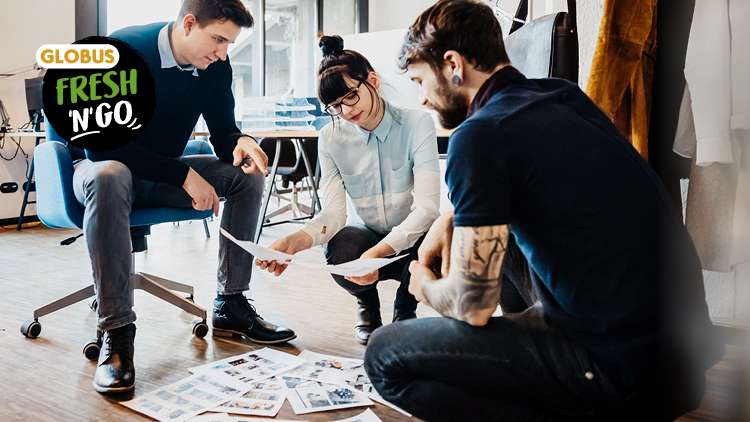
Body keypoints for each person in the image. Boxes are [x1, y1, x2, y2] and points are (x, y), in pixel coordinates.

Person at [363, 1, 725, 421]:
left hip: (620, 376)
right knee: (510, 237)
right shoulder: (561, 96)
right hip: (678, 365)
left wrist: (421, 284)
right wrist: (450, 219)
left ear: (452, 64)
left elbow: (473, 304)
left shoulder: (478, 136)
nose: (422, 99)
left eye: (420, 80)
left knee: (384, 355)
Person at [72, 0, 296, 394]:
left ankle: (231, 303)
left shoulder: (214, 66)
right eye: (219, 40)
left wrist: (240, 141)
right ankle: (117, 333)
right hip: (100, 170)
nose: (224, 52)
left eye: (229, 43)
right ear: (188, 24)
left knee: (246, 178)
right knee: (112, 173)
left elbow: (223, 130)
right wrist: (185, 174)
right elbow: (101, 147)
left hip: (161, 170)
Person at [255, 35, 440, 344]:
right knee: (341, 248)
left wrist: (379, 253)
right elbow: (334, 213)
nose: (345, 111)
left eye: (350, 97)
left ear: (373, 80)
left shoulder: (416, 123)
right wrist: (297, 240)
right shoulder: (330, 138)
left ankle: (405, 308)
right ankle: (367, 303)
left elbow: (427, 209)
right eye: (334, 106)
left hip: (412, 238)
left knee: (433, 239)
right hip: (366, 233)